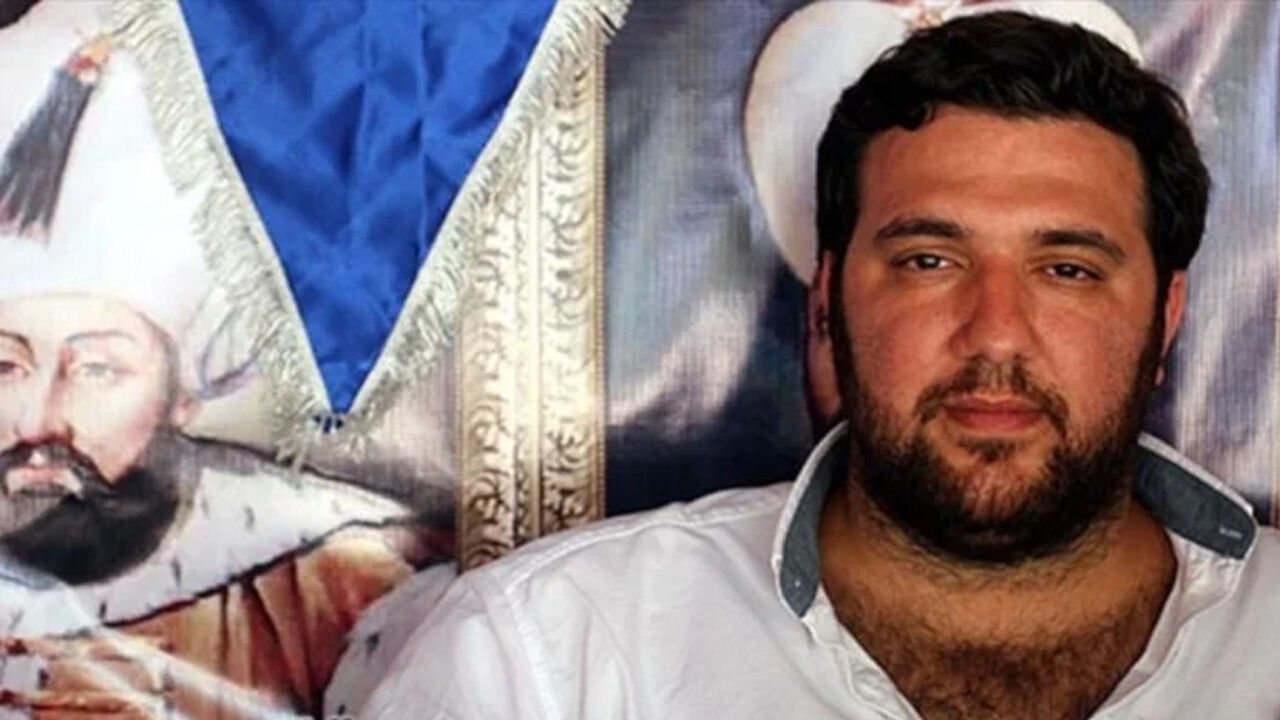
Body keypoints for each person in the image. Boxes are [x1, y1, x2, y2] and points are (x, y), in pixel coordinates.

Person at [361, 10, 1280, 720]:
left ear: (1166, 319)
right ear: (826, 304)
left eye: (1067, 270)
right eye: (930, 260)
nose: (996, 334)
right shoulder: (547, 663)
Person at [0, 4, 451, 716]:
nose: (38, 421)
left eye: (97, 370)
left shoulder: (329, 577)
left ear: (181, 395)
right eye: (4, 367)